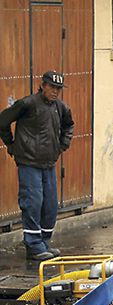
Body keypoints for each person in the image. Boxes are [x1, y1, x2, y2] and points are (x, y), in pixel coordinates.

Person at [0, 71, 74, 261]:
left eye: (58, 88)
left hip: (48, 163)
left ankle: (43, 242)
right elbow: (3, 121)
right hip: (29, 163)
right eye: (52, 87)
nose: (55, 91)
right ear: (42, 85)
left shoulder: (61, 107)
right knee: (32, 203)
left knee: (50, 205)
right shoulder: (27, 103)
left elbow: (69, 125)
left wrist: (62, 145)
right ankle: (33, 245)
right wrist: (11, 144)